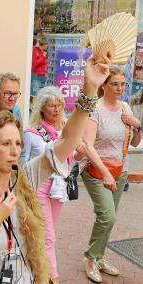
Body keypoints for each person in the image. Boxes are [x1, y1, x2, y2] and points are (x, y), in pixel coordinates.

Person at [0, 54, 111, 284]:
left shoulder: (25, 180)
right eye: (5, 143)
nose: (14, 150)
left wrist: (90, 88)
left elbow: (67, 142)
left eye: (17, 143)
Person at [81, 67, 142, 283]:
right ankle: (90, 258)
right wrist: (106, 173)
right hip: (97, 171)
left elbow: (134, 143)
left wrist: (138, 126)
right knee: (108, 216)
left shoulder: (125, 107)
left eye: (123, 84)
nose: (120, 88)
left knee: (108, 219)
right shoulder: (95, 109)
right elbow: (87, 144)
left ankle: (98, 257)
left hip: (120, 171)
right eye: (115, 84)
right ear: (103, 85)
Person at [20, 86, 86, 284]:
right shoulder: (32, 133)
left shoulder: (65, 132)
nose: (56, 109)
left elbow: (67, 160)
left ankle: (33, 267)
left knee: (44, 233)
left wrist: (79, 155)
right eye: (51, 105)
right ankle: (52, 278)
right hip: (39, 187)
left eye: (59, 105)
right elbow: (23, 163)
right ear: (41, 108)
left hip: (58, 189)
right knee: (48, 237)